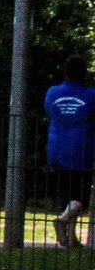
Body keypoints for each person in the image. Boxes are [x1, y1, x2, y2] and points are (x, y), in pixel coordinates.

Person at [44, 57, 95, 248]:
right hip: (82, 151)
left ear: (65, 72)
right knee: (80, 198)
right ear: (85, 74)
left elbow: (49, 111)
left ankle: (71, 238)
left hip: (57, 149)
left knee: (69, 196)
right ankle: (62, 221)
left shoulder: (52, 92)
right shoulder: (91, 95)